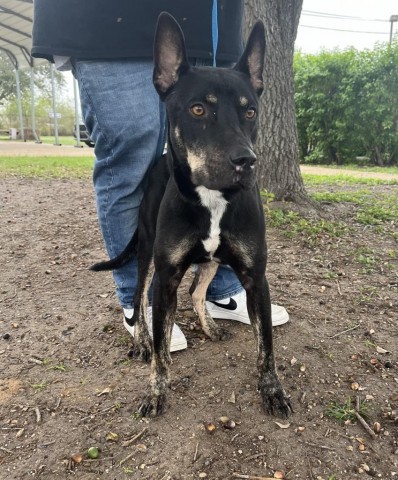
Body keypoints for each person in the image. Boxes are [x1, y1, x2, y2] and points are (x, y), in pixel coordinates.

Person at [31, 0, 289, 352]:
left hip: (207, 22)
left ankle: (223, 291)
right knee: (131, 162)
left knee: (228, 151)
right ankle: (142, 303)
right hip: (106, 24)